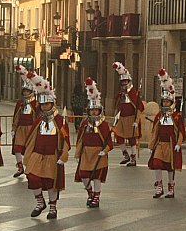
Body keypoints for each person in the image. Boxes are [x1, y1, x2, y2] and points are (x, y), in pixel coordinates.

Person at [22, 73, 70, 219]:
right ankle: (39, 202)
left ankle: (53, 208)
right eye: (42, 104)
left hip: (52, 156)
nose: (44, 107)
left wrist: (63, 156)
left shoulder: (60, 121)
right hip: (37, 154)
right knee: (32, 177)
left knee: (50, 182)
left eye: (47, 104)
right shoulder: (38, 120)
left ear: (52, 104)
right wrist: (28, 155)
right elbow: (30, 138)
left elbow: (65, 140)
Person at [75, 77, 113, 208]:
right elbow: (80, 139)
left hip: (98, 153)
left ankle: (96, 197)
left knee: (97, 176)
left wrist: (105, 151)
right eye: (92, 110)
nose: (94, 112)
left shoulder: (103, 125)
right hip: (86, 153)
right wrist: (77, 154)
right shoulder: (85, 123)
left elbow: (109, 142)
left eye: (96, 110)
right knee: (84, 175)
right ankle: (90, 193)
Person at [148, 68, 185, 198]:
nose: (165, 103)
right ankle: (159, 186)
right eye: (164, 101)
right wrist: (151, 146)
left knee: (170, 167)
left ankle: (171, 186)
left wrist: (179, 144)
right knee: (157, 163)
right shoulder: (159, 115)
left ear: (171, 102)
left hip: (171, 144)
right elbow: (155, 131)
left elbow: (181, 132)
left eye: (167, 101)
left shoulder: (176, 116)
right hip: (160, 144)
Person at [112, 62, 144, 166]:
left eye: (126, 81)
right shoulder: (120, 94)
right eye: (122, 82)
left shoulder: (133, 93)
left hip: (131, 119)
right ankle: (125, 154)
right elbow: (117, 105)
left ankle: (133, 157)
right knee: (118, 135)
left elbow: (139, 107)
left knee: (131, 138)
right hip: (121, 118)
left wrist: (136, 121)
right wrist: (116, 115)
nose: (124, 83)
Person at [11, 65, 40, 178]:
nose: (25, 93)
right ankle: (19, 167)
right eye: (24, 92)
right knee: (17, 148)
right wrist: (14, 129)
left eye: (27, 91)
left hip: (31, 129)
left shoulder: (35, 103)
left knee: (30, 149)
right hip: (21, 129)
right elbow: (16, 117)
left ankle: (30, 167)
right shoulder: (20, 103)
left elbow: (38, 117)